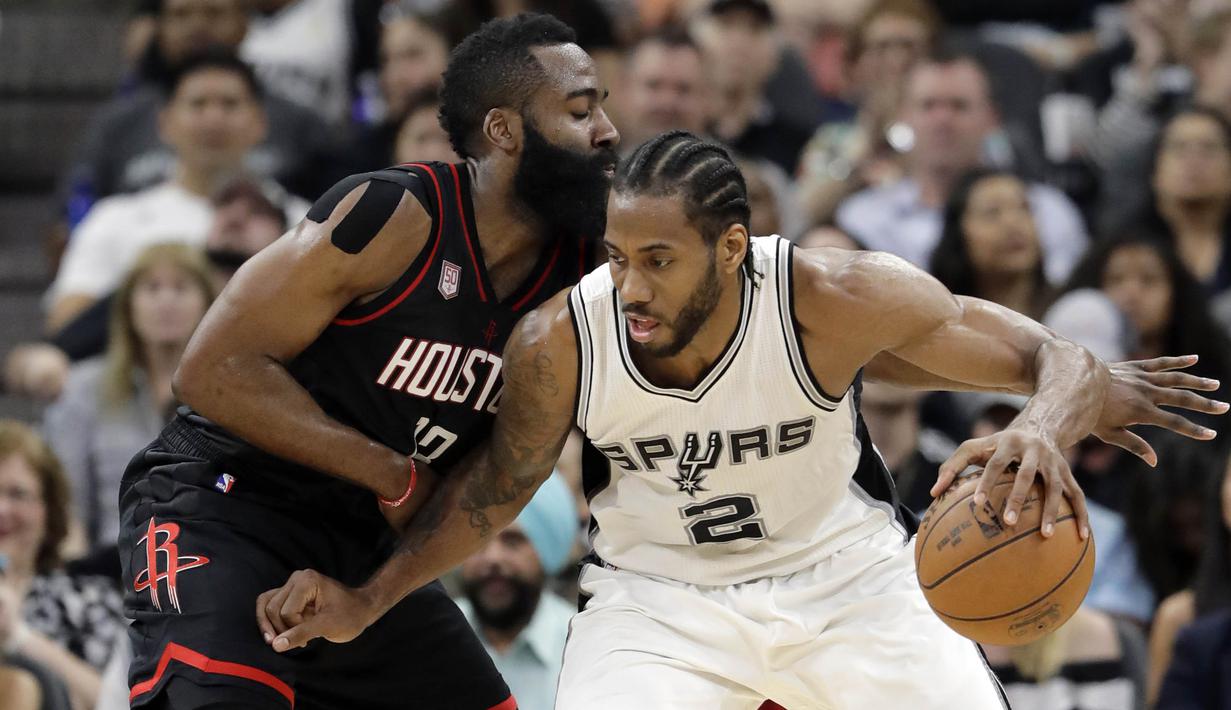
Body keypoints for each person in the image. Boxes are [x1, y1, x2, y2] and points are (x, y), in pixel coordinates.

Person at [259, 131, 1227, 709]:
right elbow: (487, 497)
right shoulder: (563, 337)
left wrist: (1046, 425)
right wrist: (368, 595)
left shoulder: (837, 294)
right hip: (659, 599)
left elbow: (1056, 354)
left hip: (850, 580)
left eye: (658, 259)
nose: (627, 283)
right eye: (616, 253)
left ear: (730, 249)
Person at [118, 13, 617, 709]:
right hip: (223, 500)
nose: (607, 131)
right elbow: (211, 372)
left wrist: (370, 600)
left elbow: (502, 481)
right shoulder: (394, 215)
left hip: (366, 541)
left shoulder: (583, 275)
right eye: (580, 109)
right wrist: (387, 471)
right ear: (504, 131)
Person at [47, 50, 271, 331]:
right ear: (164, 123)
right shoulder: (113, 219)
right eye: (198, 104)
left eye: (229, 104)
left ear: (260, 123)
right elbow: (66, 325)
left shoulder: (303, 221)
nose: (214, 118)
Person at [835, 51, 1089, 285]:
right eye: (928, 105)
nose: (943, 120)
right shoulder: (863, 217)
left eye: (959, 106)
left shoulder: (1046, 212)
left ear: (992, 118)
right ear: (904, 116)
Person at [44, 244, 216, 555]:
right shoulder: (84, 388)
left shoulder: (230, 390)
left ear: (208, 304)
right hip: (113, 565)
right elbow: (68, 511)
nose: (166, 301)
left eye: (181, 287)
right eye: (152, 288)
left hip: (207, 559)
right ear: (128, 307)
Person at [0, 421, 127, 710]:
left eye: (17, 494)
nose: (1, 509)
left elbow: (114, 702)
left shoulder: (88, 598)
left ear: (48, 510)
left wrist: (16, 635)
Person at [455, 473, 578, 710]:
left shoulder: (581, 645)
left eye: (512, 541)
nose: (493, 558)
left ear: (546, 552)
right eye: (477, 541)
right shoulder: (428, 639)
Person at [930, 168, 1052, 320]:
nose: (1013, 223)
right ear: (958, 233)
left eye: (1024, 207)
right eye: (992, 212)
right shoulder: (937, 320)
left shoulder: (1069, 309)